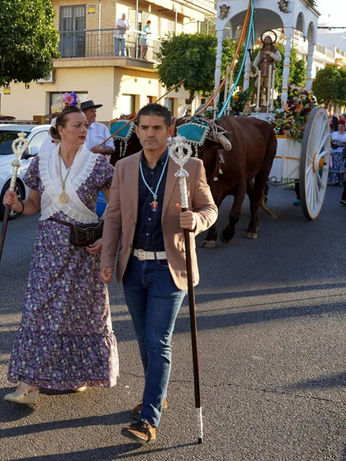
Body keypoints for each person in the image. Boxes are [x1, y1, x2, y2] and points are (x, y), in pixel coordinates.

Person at [99, 103, 218, 447]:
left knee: (158, 340)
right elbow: (114, 218)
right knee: (143, 336)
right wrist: (108, 257)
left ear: (170, 131)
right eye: (144, 128)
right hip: (134, 266)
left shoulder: (189, 166)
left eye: (157, 128)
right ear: (136, 131)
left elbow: (209, 209)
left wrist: (195, 221)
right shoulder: (123, 167)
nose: (150, 134)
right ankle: (158, 393)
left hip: (171, 266)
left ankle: (148, 419)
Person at [1, 106, 118, 405]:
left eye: (85, 126)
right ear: (60, 129)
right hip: (48, 249)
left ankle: (75, 374)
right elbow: (32, 205)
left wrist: (107, 237)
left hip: (84, 249)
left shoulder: (98, 165)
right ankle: (29, 384)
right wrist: (16, 206)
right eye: (77, 125)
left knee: (79, 316)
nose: (83, 130)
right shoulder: (42, 163)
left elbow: (119, 206)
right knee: (39, 311)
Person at [251, 35, 282, 111]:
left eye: (268, 39)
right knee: (257, 86)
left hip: (269, 70)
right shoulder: (261, 51)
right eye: (266, 39)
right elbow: (256, 60)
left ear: (271, 41)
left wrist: (271, 54)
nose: (267, 41)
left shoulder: (274, 50)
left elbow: (279, 59)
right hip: (261, 70)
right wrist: (255, 66)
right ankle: (258, 102)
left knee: (267, 87)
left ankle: (268, 103)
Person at [329, 119, 346, 186]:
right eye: (339, 126)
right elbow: (329, 140)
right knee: (335, 166)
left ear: (344, 127)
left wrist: (342, 142)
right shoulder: (334, 134)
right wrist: (333, 141)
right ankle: (336, 180)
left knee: (342, 165)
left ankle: (343, 179)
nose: (340, 128)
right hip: (335, 151)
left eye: (341, 126)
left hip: (342, 151)